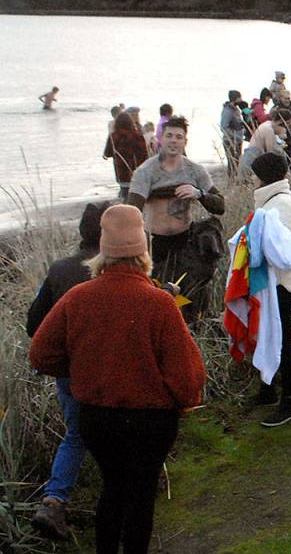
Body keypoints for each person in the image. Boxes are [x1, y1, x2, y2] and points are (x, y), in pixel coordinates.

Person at [29, 205, 205, 552]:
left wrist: (82, 370)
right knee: (140, 496)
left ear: (102, 252)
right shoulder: (159, 302)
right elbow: (188, 376)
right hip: (150, 421)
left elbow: (41, 354)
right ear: (143, 250)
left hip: (97, 417)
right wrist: (181, 403)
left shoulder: (76, 298)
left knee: (112, 489)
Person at [26, 202, 108, 542]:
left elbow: (34, 324)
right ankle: (123, 499)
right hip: (108, 368)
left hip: (70, 372)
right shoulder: (113, 268)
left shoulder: (59, 270)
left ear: (80, 232)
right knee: (120, 431)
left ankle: (55, 501)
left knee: (76, 435)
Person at [127, 116, 225, 314]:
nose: (173, 140)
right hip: (155, 244)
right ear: (160, 139)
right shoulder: (145, 172)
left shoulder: (195, 171)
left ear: (185, 142)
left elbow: (220, 205)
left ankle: (195, 332)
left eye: (179, 137)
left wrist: (199, 194)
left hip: (185, 242)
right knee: (157, 298)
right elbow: (131, 211)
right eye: (169, 135)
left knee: (191, 298)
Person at [248, 152, 291, 427]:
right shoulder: (275, 201)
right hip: (274, 284)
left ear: (264, 176)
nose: (251, 179)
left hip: (280, 285)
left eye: (254, 174)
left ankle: (289, 402)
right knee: (269, 338)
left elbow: (279, 251)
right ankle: (269, 390)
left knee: (281, 342)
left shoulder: (279, 206)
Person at [103, 111, 149, 200]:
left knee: (124, 194)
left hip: (122, 173)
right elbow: (144, 154)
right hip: (137, 172)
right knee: (138, 196)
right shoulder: (137, 136)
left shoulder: (113, 137)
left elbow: (107, 154)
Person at [221, 89, 246, 178]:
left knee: (237, 163)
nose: (241, 100)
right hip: (230, 141)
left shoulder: (237, 110)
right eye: (239, 98)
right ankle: (231, 181)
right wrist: (234, 137)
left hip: (238, 140)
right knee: (232, 164)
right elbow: (224, 127)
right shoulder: (228, 111)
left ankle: (235, 180)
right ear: (235, 99)